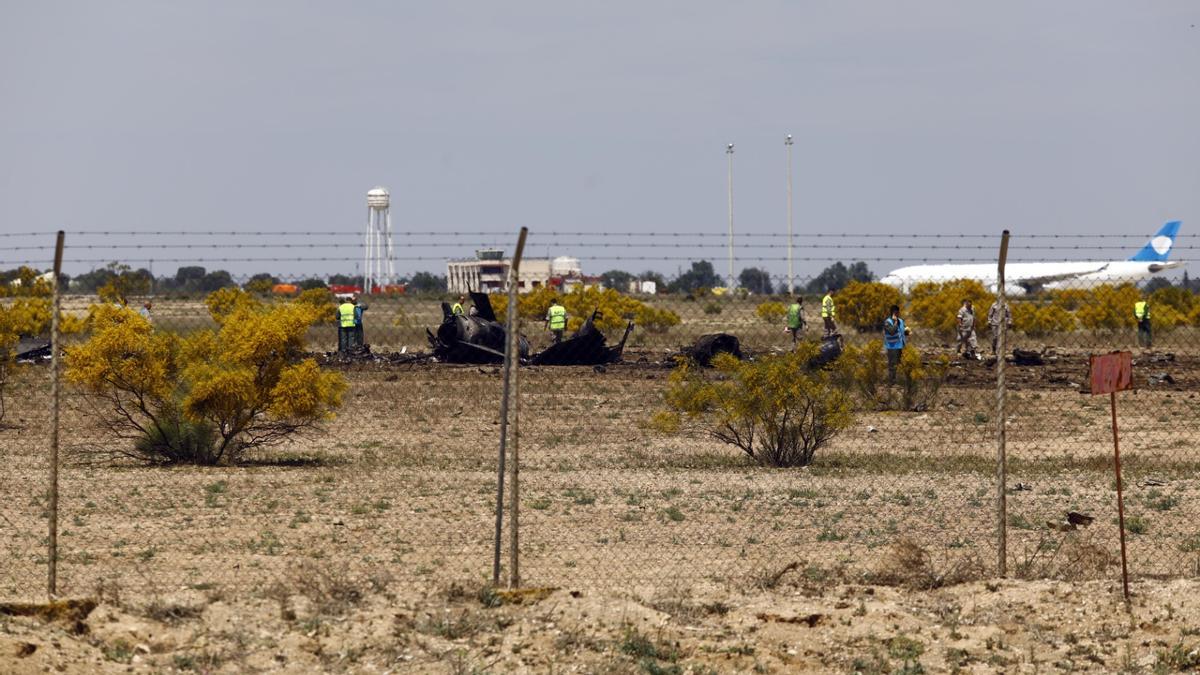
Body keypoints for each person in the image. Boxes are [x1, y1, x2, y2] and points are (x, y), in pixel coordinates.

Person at [883, 304, 909, 385]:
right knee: (892, 365)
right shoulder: (888, 322)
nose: (897, 314)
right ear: (892, 312)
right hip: (892, 346)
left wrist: (907, 331)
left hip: (901, 345)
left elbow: (903, 330)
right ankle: (891, 382)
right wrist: (895, 322)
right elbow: (891, 332)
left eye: (898, 312)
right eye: (895, 313)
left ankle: (901, 381)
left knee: (900, 363)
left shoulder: (901, 321)